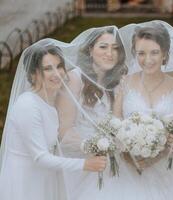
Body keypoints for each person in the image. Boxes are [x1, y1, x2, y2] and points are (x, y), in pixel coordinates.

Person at [0, 39, 106, 200]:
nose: (57, 73)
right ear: (33, 74)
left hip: (44, 177)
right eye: (48, 69)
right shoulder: (28, 105)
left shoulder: (48, 103)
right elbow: (40, 157)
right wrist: (85, 164)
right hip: (26, 182)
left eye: (59, 66)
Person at [115, 20, 173, 199]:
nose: (148, 60)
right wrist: (127, 154)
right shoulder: (124, 83)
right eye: (141, 53)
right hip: (129, 168)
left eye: (154, 52)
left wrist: (160, 154)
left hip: (169, 168)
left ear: (165, 54)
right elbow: (115, 124)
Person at [56, 27, 139, 200]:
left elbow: (118, 121)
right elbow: (64, 131)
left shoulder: (117, 82)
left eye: (115, 48)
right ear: (90, 50)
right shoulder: (75, 78)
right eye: (103, 47)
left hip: (111, 159)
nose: (110, 53)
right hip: (81, 159)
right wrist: (94, 147)